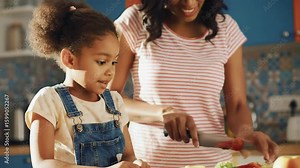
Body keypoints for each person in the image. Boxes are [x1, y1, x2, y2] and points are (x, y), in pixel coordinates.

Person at [110, 0, 279, 167]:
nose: (189, 3)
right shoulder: (135, 20)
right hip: (148, 163)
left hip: (213, 163)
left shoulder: (226, 29)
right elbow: (109, 100)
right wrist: (161, 112)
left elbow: (237, 105)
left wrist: (248, 134)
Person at [25, 0, 150, 167]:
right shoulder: (49, 101)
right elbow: (42, 164)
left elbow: (128, 155)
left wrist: (136, 164)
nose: (110, 71)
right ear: (69, 59)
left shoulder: (115, 102)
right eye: (101, 61)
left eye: (114, 62)